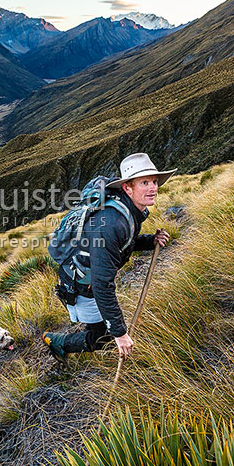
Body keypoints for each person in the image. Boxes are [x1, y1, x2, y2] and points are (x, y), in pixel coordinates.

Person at [42, 153, 177, 362]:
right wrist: (120, 333)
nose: (153, 188)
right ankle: (57, 342)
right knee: (103, 337)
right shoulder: (112, 222)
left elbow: (123, 244)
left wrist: (150, 241)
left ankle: (79, 335)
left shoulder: (128, 209)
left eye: (154, 181)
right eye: (144, 182)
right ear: (127, 187)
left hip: (88, 278)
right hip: (80, 286)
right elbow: (101, 284)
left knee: (104, 329)